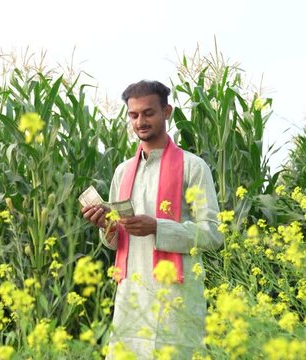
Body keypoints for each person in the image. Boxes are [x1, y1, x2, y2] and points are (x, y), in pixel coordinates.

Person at [81, 80, 222, 359]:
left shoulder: (193, 166)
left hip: (176, 298)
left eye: (148, 113)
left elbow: (213, 234)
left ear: (167, 111)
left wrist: (157, 227)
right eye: (133, 115)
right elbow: (116, 242)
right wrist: (104, 225)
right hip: (131, 297)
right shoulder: (123, 172)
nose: (140, 121)